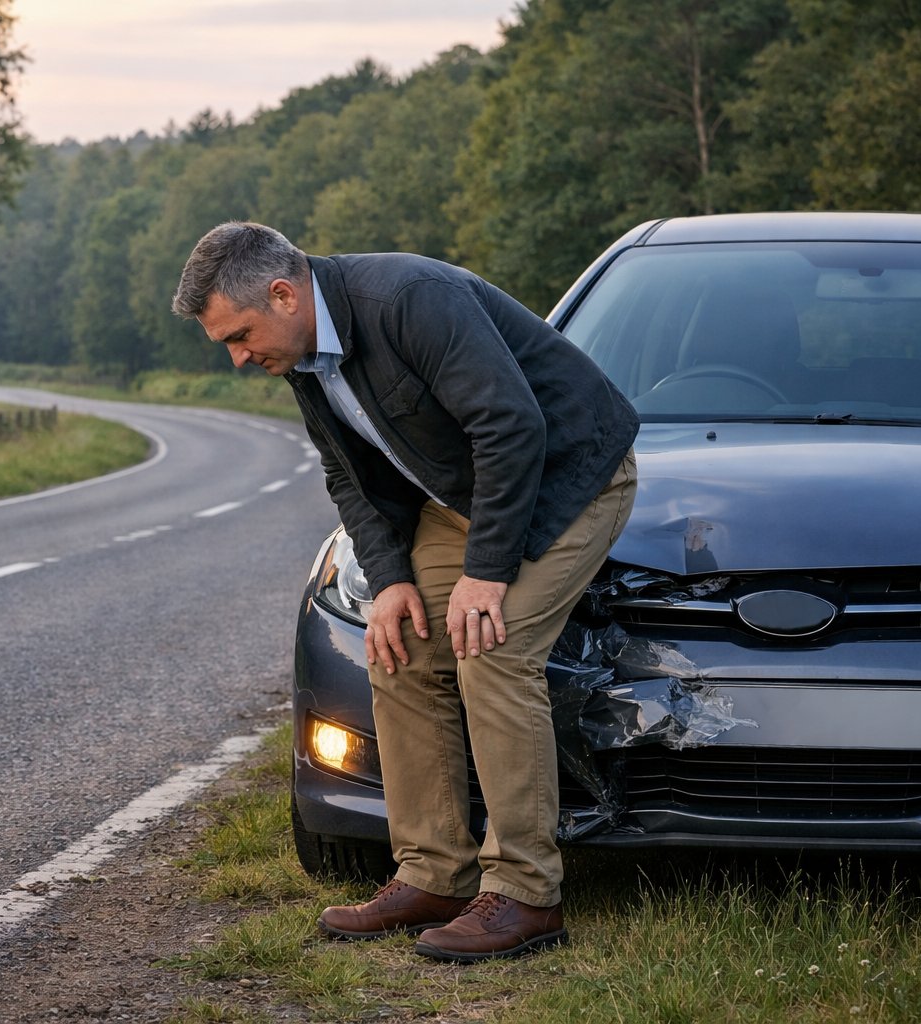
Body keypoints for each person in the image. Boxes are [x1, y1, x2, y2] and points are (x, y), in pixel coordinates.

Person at [171, 222, 638, 963]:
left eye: (239, 334)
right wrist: (389, 581)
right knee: (398, 647)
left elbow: (512, 426)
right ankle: (434, 874)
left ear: (285, 294)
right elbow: (347, 478)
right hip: (466, 498)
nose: (236, 357)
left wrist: (487, 570)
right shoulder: (298, 354)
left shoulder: (410, 299)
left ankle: (525, 895)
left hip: (568, 477)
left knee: (494, 644)